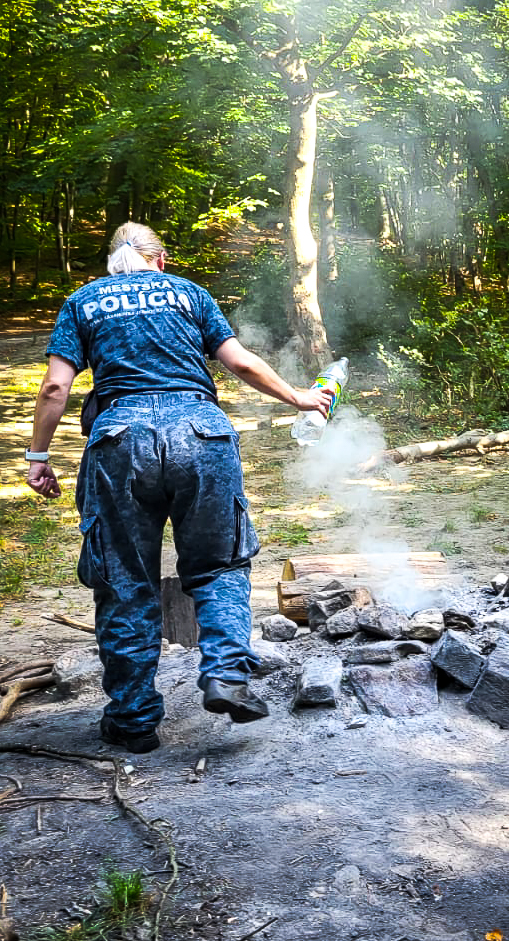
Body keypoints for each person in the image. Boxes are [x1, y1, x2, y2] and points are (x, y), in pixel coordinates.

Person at [26, 221, 332, 753]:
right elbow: (240, 362)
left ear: (112, 264)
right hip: (201, 436)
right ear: (159, 259)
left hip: (119, 442)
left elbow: (56, 385)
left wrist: (37, 457)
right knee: (219, 565)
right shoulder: (190, 293)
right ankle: (225, 677)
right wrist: (300, 398)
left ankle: (134, 721)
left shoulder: (83, 301)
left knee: (124, 579)